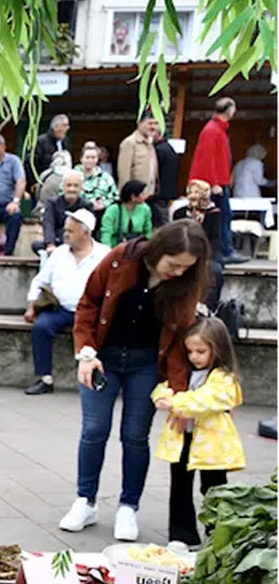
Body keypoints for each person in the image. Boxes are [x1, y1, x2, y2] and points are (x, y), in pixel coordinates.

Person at [63, 220, 212, 540]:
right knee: (94, 429)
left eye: (187, 267)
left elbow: (178, 340)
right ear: (160, 250)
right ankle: (84, 500)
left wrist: (179, 394)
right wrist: (86, 352)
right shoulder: (121, 257)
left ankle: (128, 507)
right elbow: (88, 303)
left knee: (135, 435)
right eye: (174, 264)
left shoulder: (185, 285)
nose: (178, 272)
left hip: (146, 364)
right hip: (103, 358)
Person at [151, 317, 244, 546]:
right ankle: (181, 534)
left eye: (200, 351)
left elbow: (206, 400)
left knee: (213, 488)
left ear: (218, 348)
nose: (194, 357)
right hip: (184, 437)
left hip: (212, 442)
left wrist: (174, 403)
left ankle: (217, 533)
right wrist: (163, 397)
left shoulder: (224, 377)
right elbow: (163, 389)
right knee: (180, 484)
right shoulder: (185, 371)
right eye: (190, 351)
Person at [23, 210, 108, 395]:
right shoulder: (59, 253)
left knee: (103, 333)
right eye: (65, 229)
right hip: (62, 309)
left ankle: (98, 379)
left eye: (71, 231)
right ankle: (44, 378)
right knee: (41, 327)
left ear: (86, 233)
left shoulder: (104, 255)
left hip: (94, 311)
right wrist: (31, 306)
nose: (65, 234)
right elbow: (40, 281)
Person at [188, 97, 244, 263]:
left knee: (222, 216)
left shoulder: (215, 129)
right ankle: (224, 251)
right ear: (230, 110)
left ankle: (221, 251)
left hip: (216, 181)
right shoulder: (213, 130)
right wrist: (214, 183)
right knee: (221, 216)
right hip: (213, 183)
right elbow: (207, 158)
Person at [173, 179, 225, 308]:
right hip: (183, 249)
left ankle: (208, 306)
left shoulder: (214, 214)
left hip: (207, 252)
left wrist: (205, 256)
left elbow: (215, 239)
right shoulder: (179, 213)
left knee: (214, 270)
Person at [39, 167, 92, 253]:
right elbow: (49, 224)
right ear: (63, 186)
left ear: (81, 188)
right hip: (57, 242)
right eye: (69, 185)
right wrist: (50, 244)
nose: (72, 189)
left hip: (78, 244)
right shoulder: (52, 203)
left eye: (76, 186)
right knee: (37, 245)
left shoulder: (86, 205)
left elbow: (88, 230)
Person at [117, 112, 158, 198]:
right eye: (150, 123)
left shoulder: (150, 144)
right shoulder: (130, 143)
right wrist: (126, 196)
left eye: (156, 123)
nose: (153, 127)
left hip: (149, 193)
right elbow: (124, 172)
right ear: (139, 123)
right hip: (135, 196)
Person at [101, 180, 152, 247]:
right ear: (133, 196)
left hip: (137, 246)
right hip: (116, 246)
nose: (146, 196)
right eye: (143, 194)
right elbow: (106, 233)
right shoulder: (113, 210)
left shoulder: (145, 209)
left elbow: (148, 231)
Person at [76, 144, 119, 222]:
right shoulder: (72, 175)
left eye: (93, 158)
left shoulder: (106, 177)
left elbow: (114, 197)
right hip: (78, 215)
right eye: (87, 157)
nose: (90, 160)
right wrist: (88, 204)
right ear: (81, 159)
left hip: (101, 216)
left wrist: (104, 204)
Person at [150, 125, 179, 227]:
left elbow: (153, 172)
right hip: (168, 190)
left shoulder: (158, 150)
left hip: (159, 192)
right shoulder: (169, 148)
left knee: (160, 221)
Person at [32, 114, 71, 185]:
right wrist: (34, 182)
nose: (67, 128)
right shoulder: (41, 141)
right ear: (56, 127)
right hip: (43, 181)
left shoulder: (64, 142)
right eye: (64, 125)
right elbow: (31, 163)